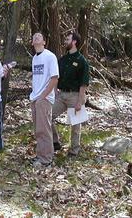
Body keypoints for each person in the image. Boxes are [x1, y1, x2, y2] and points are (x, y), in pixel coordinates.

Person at [52, 32, 90, 156]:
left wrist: (80, 101)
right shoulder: (63, 59)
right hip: (61, 95)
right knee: (48, 116)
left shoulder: (81, 61)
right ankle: (55, 142)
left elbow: (83, 83)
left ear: (74, 42)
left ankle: (74, 150)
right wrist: (56, 91)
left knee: (76, 125)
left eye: (67, 39)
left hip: (75, 96)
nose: (65, 41)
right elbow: (56, 77)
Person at [29, 32, 59, 168]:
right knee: (38, 129)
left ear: (44, 42)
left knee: (44, 129)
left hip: (44, 98)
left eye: (39, 36)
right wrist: (35, 97)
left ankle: (46, 159)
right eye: (34, 36)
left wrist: (44, 96)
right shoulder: (35, 58)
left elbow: (54, 78)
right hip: (35, 98)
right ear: (32, 43)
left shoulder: (50, 56)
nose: (36, 37)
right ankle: (40, 155)